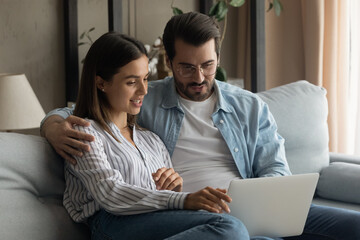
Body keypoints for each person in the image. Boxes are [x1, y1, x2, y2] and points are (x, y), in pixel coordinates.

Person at [41, 12, 360, 240]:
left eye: (207, 65)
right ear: (168, 61)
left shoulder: (247, 108)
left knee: (352, 224)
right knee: (232, 231)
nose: (198, 77)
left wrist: (263, 207)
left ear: (218, 58)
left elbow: (276, 172)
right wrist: (53, 126)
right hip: (185, 213)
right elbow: (82, 113)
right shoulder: (144, 103)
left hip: (233, 208)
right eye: (187, 67)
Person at [61, 31, 250, 240]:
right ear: (101, 83)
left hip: (155, 222)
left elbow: (167, 203)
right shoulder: (83, 132)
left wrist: (175, 189)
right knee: (230, 229)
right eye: (132, 82)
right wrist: (183, 200)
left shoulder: (151, 140)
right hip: (112, 224)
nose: (143, 90)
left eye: (145, 79)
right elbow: (110, 193)